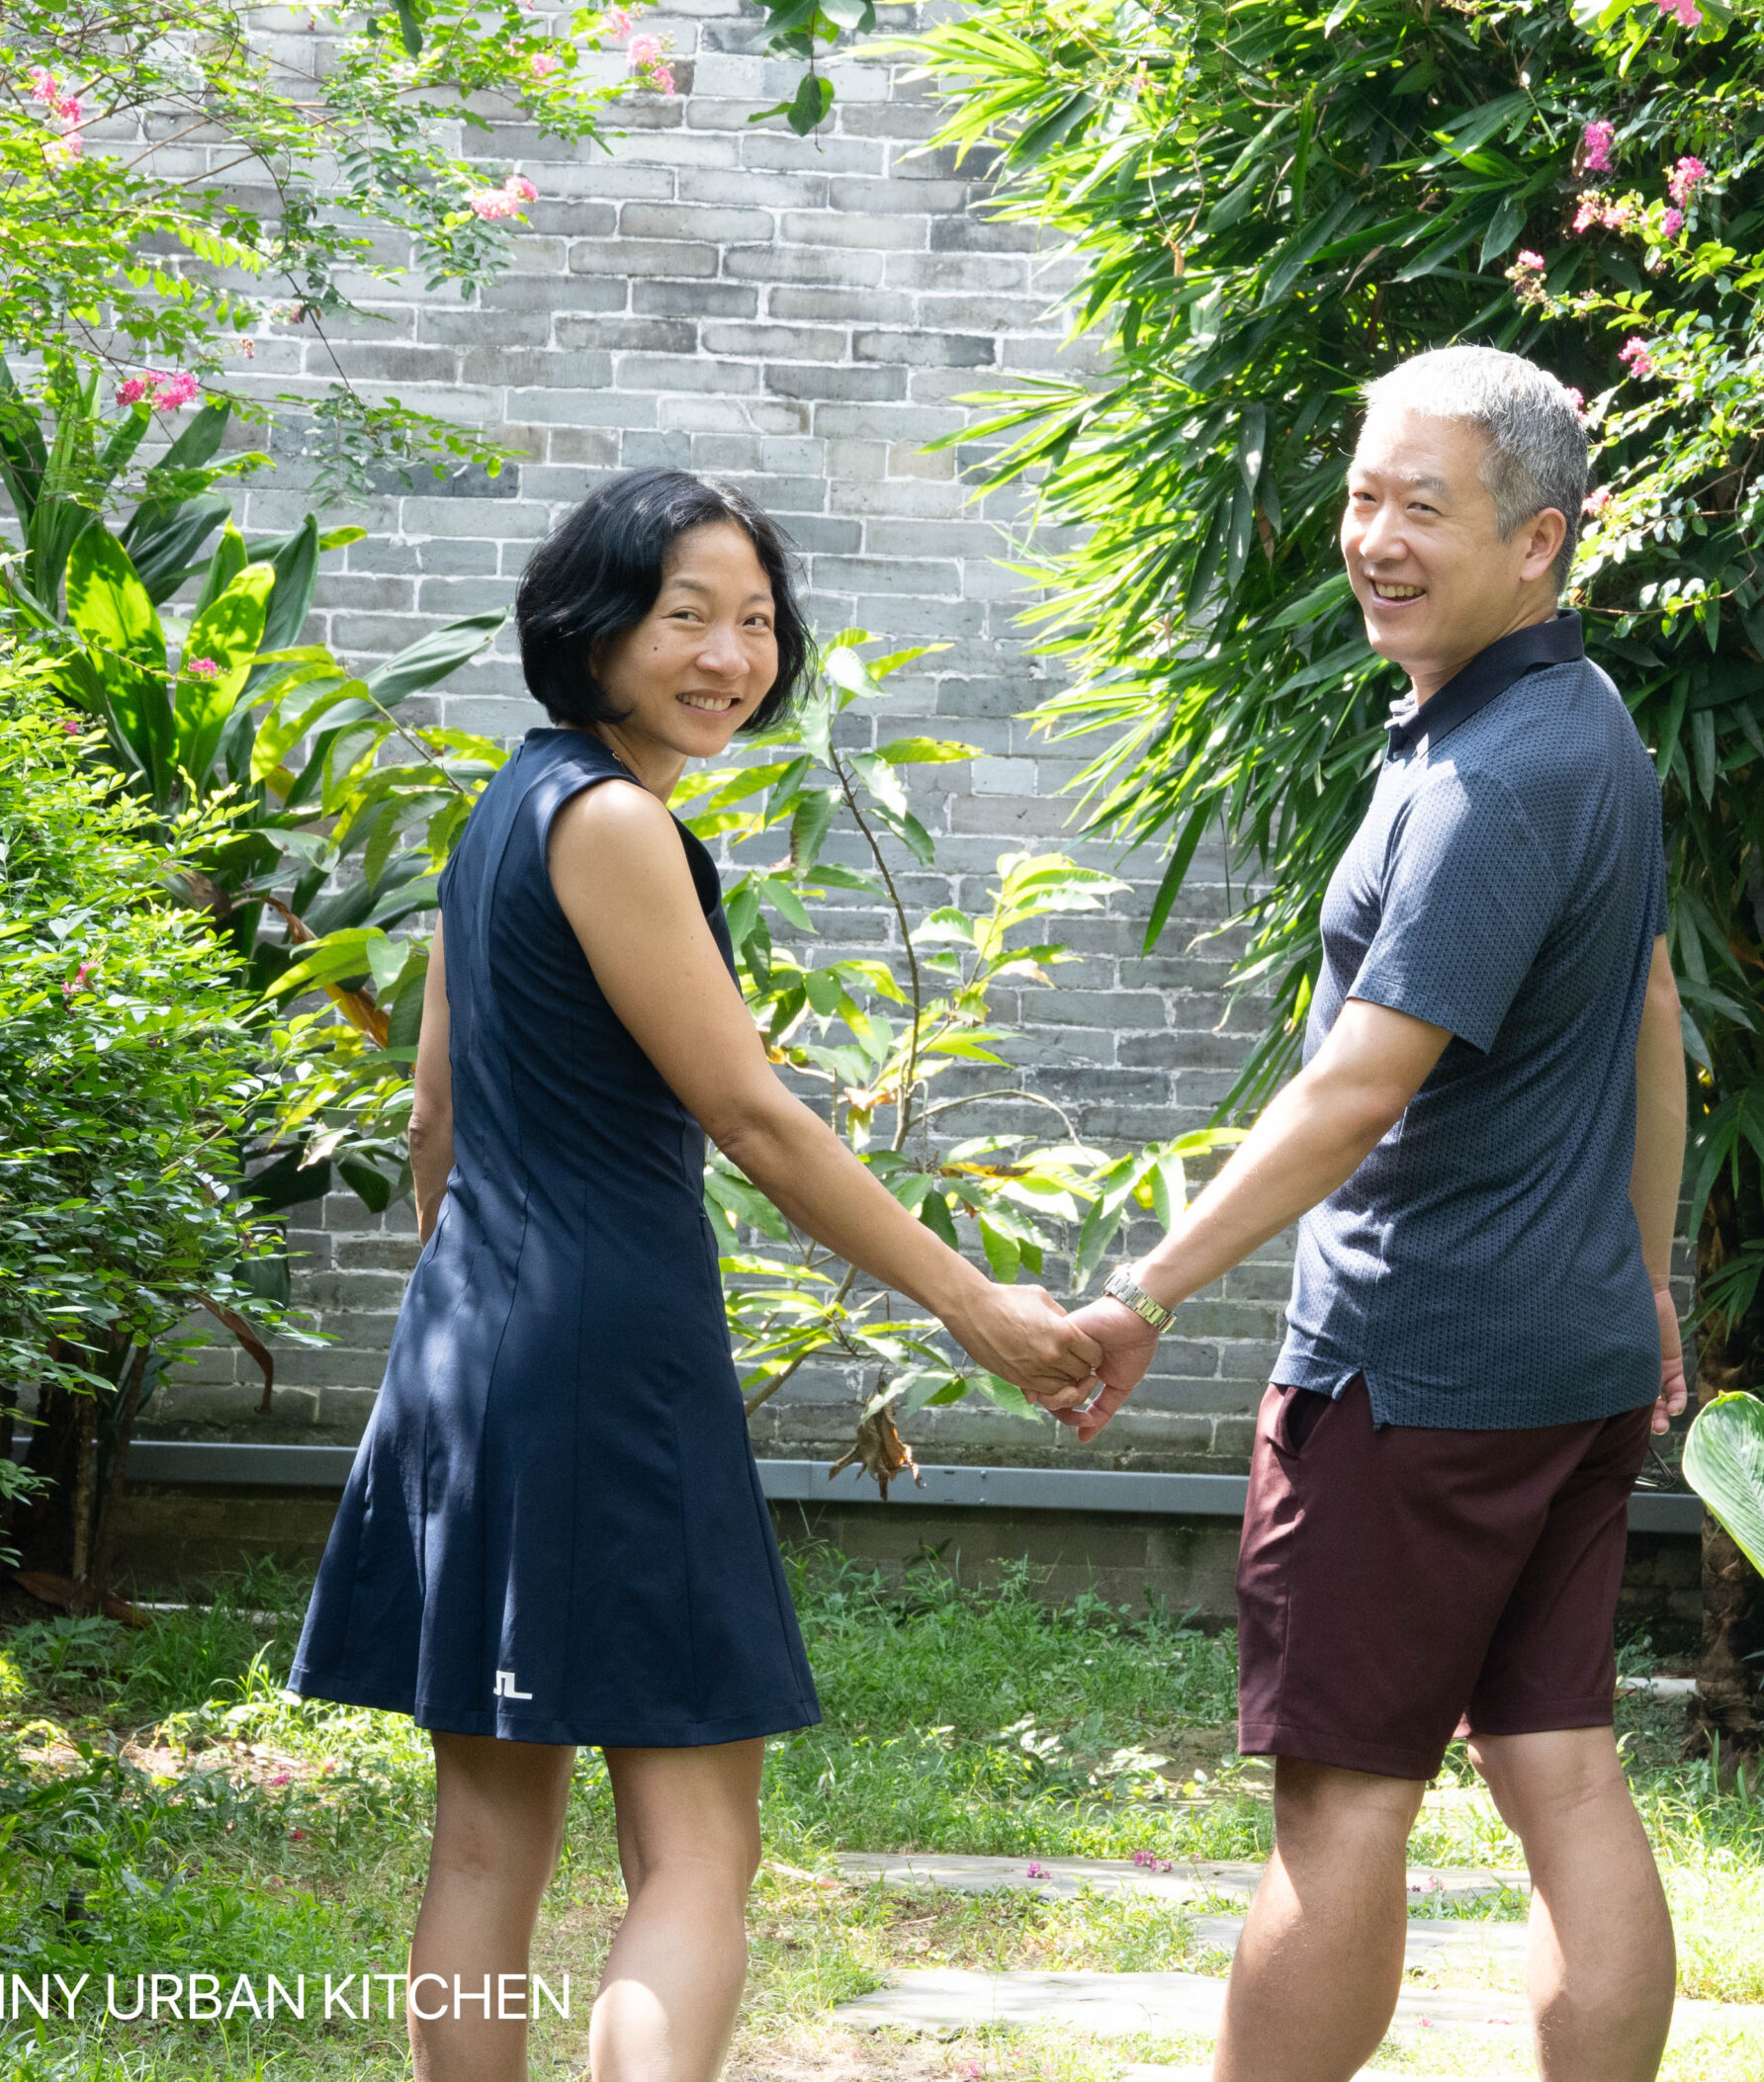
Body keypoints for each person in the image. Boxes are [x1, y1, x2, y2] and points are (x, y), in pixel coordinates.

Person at [286, 469, 1106, 2082]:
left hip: (476, 1344)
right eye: (687, 617)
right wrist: (983, 1307)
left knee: (481, 1848)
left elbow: (435, 1127)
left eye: (757, 621)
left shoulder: (500, 814)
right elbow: (752, 1117)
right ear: (590, 630)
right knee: (696, 1852)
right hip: (604, 1357)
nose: (734, 653)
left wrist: (482, 1344)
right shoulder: (612, 821)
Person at [1064, 346, 1689, 2082]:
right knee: (1559, 1762)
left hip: (1415, 1374)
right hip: (1561, 1354)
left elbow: (1359, 1084)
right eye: (1361, 495)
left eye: (1427, 507)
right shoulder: (1580, 726)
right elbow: (1652, 1020)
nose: (1376, 539)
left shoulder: (1497, 779)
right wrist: (1643, 1285)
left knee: (1344, 1801)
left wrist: (1149, 1291)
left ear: (1542, 541)